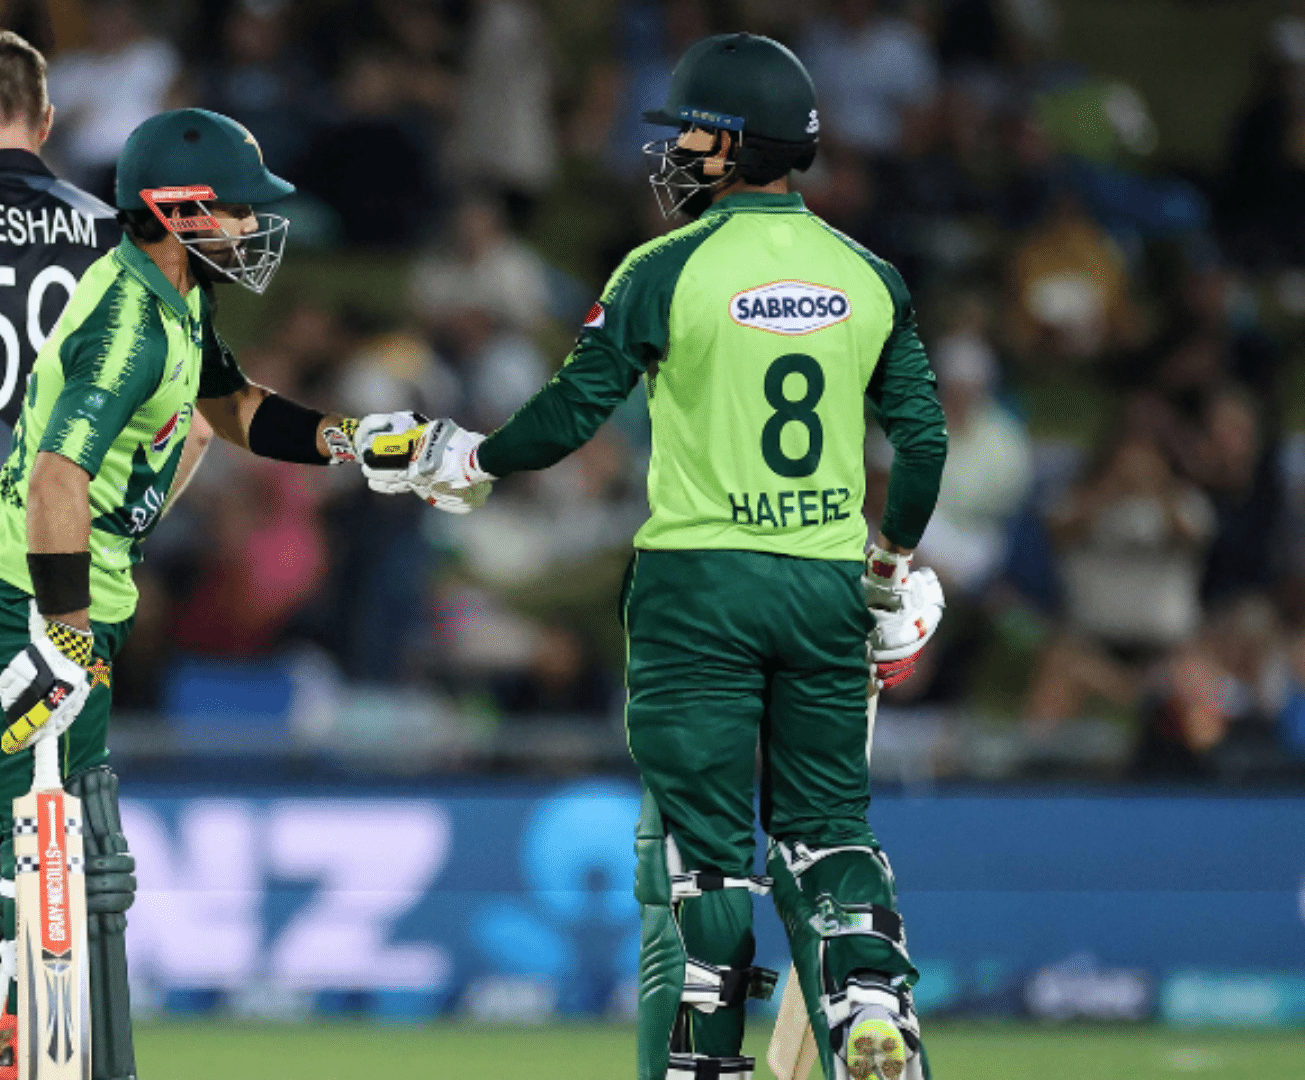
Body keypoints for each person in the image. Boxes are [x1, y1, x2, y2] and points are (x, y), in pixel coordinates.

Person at [0, 105, 425, 1080]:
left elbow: (231, 407)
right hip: (28, 609)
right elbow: (57, 478)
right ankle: (8, 1041)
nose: (255, 230)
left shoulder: (171, 299)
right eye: (239, 213)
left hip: (3, 587)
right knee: (53, 844)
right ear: (176, 211)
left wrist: (363, 443)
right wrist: (70, 632)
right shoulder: (132, 324)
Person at [399, 34, 947, 1080]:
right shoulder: (868, 275)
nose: (678, 152)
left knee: (707, 861)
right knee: (829, 830)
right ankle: (872, 1006)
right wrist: (886, 571)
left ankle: (705, 1063)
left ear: (739, 143)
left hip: (697, 590)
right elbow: (923, 442)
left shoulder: (664, 267)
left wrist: (471, 456)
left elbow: (568, 417)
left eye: (694, 132)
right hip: (825, 585)